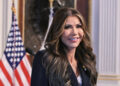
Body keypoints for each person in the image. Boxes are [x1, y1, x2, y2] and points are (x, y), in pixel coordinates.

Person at [31, 7, 98, 86]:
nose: (75, 32)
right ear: (58, 31)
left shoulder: (86, 59)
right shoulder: (44, 58)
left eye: (78, 26)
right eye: (67, 27)